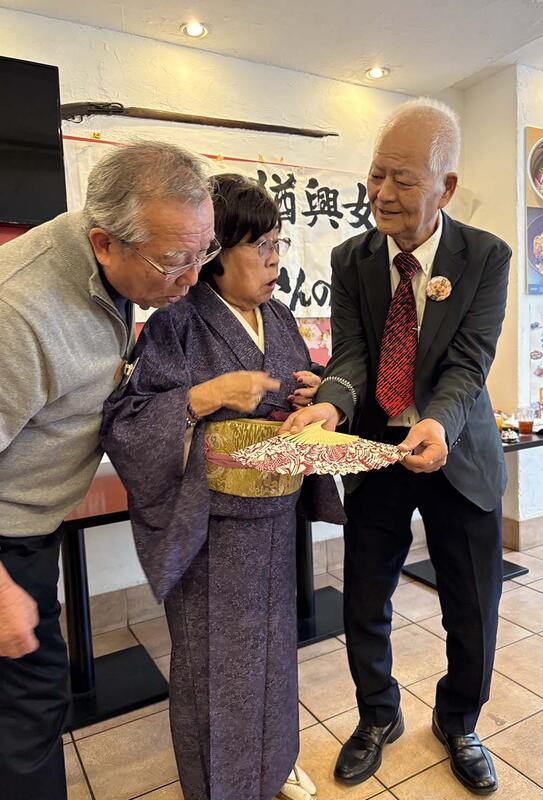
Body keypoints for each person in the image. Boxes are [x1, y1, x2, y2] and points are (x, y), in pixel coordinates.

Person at [281, 97, 511, 795]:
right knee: (364, 599)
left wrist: (438, 424)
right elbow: (351, 354)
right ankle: (377, 716)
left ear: (444, 186)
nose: (381, 193)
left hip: (456, 453)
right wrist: (329, 401)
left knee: (471, 606)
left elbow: (469, 363)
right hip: (377, 452)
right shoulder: (353, 257)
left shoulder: (486, 257)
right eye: (376, 174)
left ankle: (460, 721)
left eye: (403, 179)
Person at [101, 173, 344, 800]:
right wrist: (205, 396)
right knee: (215, 668)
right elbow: (126, 422)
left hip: (277, 516)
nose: (274, 261)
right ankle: (219, 788)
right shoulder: (175, 324)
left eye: (279, 244)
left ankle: (274, 761)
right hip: (211, 528)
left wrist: (314, 395)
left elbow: (301, 384)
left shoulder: (280, 317)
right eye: (259, 245)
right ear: (215, 252)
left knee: (275, 653)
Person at [0, 141, 216, 800]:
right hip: (6, 537)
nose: (192, 278)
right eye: (176, 260)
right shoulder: (20, 311)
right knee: (30, 708)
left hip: (34, 522)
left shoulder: (121, 268)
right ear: (104, 244)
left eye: (203, 252)